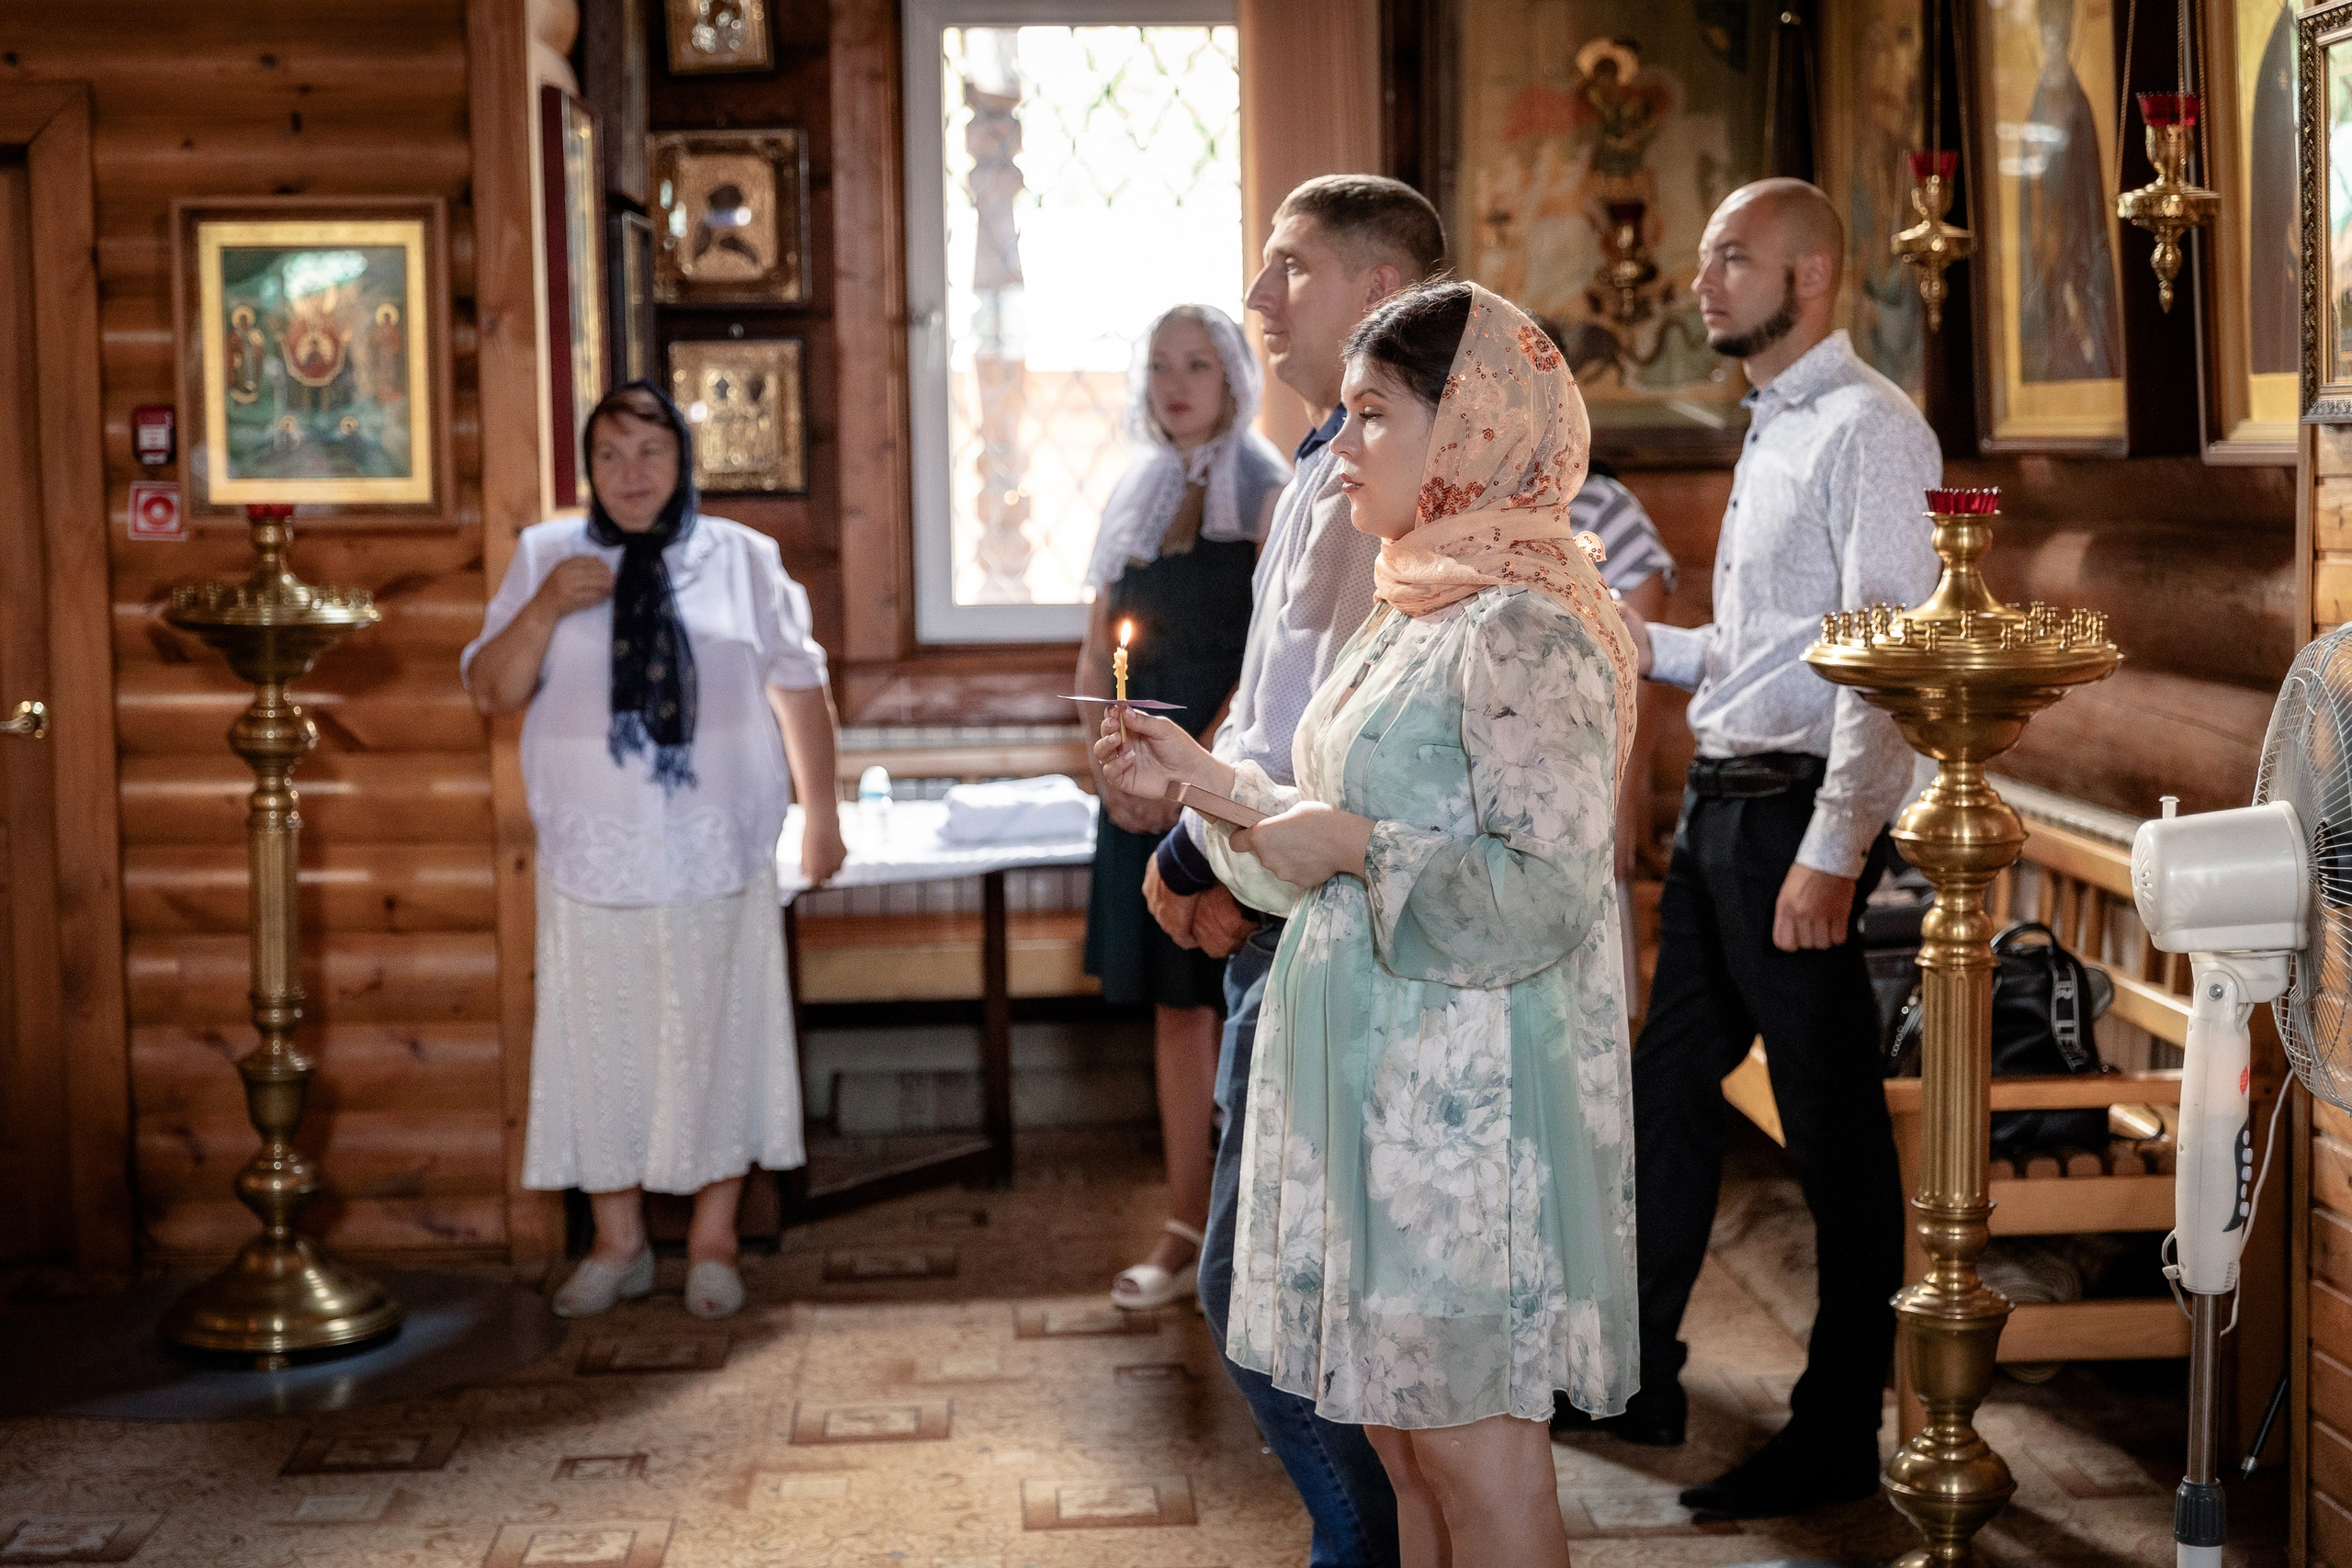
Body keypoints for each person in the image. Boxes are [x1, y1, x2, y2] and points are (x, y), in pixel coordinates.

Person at [1099, 279, 1640, 1568]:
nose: (1341, 448)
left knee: (1477, 1453)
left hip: (1468, 1112)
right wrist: (1208, 783)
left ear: (1469, 430)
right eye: (1342, 416)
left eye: (1373, 416)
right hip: (1371, 1082)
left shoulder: (1526, 626)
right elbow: (1320, 829)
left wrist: (1353, 845)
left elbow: (1547, 893)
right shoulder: (1418, 604)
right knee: (1403, 1447)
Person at [1602, 178, 1941, 1517]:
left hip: (1794, 822)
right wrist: (1617, 630)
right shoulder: (1776, 427)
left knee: (1836, 1140)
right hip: (1721, 817)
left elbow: (1891, 658)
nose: (1703, 282)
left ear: (1809, 276)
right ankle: (1637, 1370)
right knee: (1666, 1088)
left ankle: (1836, 1433)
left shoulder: (1870, 430)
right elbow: (1751, 664)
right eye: (1702, 257)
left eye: (1731, 257)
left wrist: (1835, 846)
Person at [1131, 173, 1450, 1568]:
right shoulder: (1326, 465)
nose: (1261, 300)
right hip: (1268, 892)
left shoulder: (1387, 492)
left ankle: (1359, 1545)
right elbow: (1267, 701)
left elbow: (1324, 734)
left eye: (1289, 270)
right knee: (1276, 1287)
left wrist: (1194, 835)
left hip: (1323, 914)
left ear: (1379, 295)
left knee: (1270, 1291)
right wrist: (1181, 821)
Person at [463, 380, 846, 1321]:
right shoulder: (548, 553)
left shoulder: (744, 560)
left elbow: (800, 692)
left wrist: (823, 815)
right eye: (609, 456)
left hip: (718, 846)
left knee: (717, 1036)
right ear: (588, 470)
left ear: (683, 463)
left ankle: (714, 1241)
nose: (631, 475)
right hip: (596, 855)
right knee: (603, 1047)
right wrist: (548, 605)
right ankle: (618, 1240)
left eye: (651, 453)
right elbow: (490, 688)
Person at [1077, 304, 1287, 1310]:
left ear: (1235, 378)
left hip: (1227, 785)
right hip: (1138, 786)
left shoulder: (1272, 492)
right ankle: (1183, 1225)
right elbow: (1094, 649)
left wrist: (1192, 778)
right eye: (1159, 363)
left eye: (1197, 364)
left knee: (1253, 1010)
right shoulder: (1131, 492)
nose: (1176, 382)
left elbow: (1273, 668)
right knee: (1173, 1014)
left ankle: (1259, 1240)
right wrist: (1113, 770)